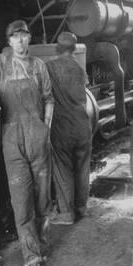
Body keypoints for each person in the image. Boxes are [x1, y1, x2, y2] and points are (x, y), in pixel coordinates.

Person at [0, 20, 54, 266]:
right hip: (12, 140)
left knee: (42, 199)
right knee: (22, 202)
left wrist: (46, 129)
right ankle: (32, 258)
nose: (21, 41)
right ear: (9, 41)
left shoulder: (39, 66)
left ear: (29, 39)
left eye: (24, 36)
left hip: (38, 137)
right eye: (15, 37)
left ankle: (40, 243)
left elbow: (49, 99)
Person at [46, 32, 92, 225]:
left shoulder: (50, 67)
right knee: (82, 167)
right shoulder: (80, 68)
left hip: (62, 126)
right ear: (73, 49)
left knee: (63, 168)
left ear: (57, 48)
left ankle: (66, 214)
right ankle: (81, 208)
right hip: (83, 125)